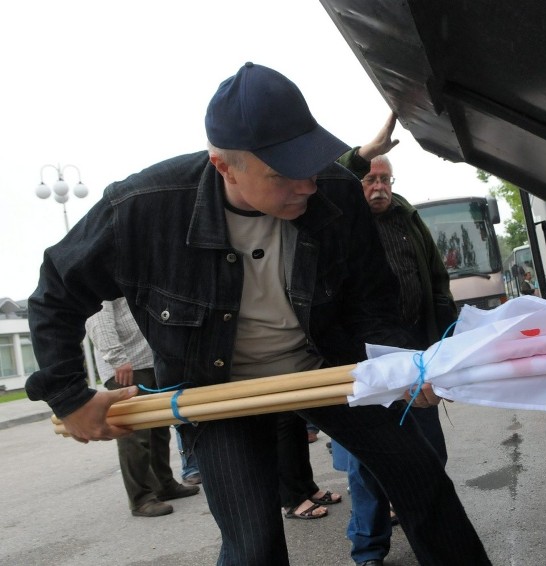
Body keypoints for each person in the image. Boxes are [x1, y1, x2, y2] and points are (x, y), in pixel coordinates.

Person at [26, 62, 490, 566]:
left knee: (423, 482)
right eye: (283, 173)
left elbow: (372, 299)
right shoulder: (144, 207)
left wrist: (402, 362)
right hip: (214, 388)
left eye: (310, 164)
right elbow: (56, 290)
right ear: (225, 166)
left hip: (329, 367)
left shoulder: (335, 191)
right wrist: (68, 394)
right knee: (253, 545)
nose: (307, 185)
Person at [334, 132, 457, 565]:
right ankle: (368, 549)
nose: (379, 187)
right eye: (370, 178)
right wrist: (362, 154)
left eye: (385, 179)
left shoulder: (408, 217)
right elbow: (330, 173)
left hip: (417, 357)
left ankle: (432, 537)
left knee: (429, 451)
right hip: (364, 360)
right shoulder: (339, 219)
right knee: (367, 463)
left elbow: (437, 280)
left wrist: (445, 340)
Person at [85, 298, 200, 517]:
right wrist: (116, 357)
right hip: (126, 366)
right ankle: (141, 498)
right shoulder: (105, 272)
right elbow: (98, 318)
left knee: (158, 428)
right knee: (134, 435)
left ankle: (164, 485)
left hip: (150, 360)